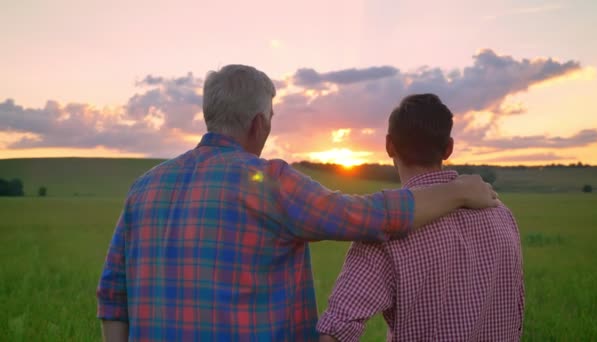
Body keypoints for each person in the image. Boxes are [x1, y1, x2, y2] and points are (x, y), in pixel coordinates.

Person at [96, 66, 498, 341]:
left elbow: (113, 296)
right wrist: (458, 192)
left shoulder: (144, 188)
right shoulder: (269, 182)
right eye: (269, 117)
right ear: (258, 124)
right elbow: (365, 217)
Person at [317, 94, 524, 341]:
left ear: (389, 146)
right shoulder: (501, 214)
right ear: (448, 148)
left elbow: (336, 331)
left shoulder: (385, 233)